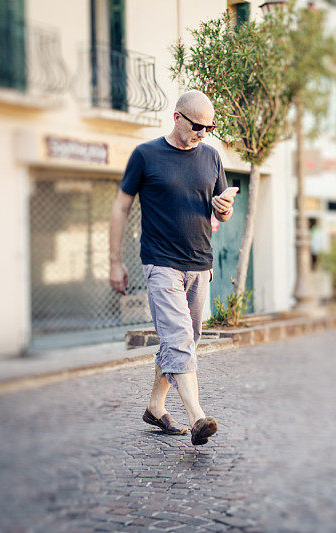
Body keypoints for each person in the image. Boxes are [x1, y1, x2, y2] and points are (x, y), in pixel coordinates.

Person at [109, 90, 234, 446]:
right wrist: (115, 261)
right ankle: (197, 416)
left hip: (199, 262)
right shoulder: (145, 155)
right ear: (177, 117)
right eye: (198, 126)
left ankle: (155, 406)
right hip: (161, 263)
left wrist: (224, 208)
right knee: (179, 338)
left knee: (186, 340)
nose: (204, 133)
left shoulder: (211, 156)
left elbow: (221, 212)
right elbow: (120, 208)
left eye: (210, 127)